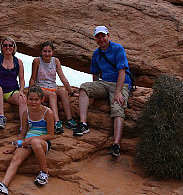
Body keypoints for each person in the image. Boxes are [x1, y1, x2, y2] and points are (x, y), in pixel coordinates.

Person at [73, 26, 132, 158]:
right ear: (95, 39)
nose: (101, 39)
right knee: (84, 87)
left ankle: (116, 144)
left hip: (120, 83)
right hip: (104, 83)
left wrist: (118, 93)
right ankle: (83, 124)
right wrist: (93, 93)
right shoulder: (96, 53)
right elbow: (95, 74)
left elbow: (122, 72)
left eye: (103, 36)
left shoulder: (118, 49)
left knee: (117, 108)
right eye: (98, 37)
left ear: (108, 36)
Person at [0, 86, 55, 195]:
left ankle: (44, 173)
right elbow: (22, 133)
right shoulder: (25, 113)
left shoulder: (48, 112)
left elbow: (51, 135)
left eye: (36, 99)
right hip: (27, 141)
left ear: (42, 100)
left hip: (41, 142)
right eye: (31, 99)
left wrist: (31, 139)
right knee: (15, 158)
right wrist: (14, 147)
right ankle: (3, 186)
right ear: (27, 100)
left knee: (35, 142)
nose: (33, 102)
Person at [28, 41, 78, 134]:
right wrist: (30, 92)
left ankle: (69, 120)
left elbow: (62, 77)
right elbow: (33, 78)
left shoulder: (55, 61)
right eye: (44, 51)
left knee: (63, 91)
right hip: (41, 87)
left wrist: (71, 92)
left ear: (53, 52)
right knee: (52, 95)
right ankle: (56, 122)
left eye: (49, 51)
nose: (47, 54)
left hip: (53, 86)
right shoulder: (37, 61)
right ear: (41, 52)